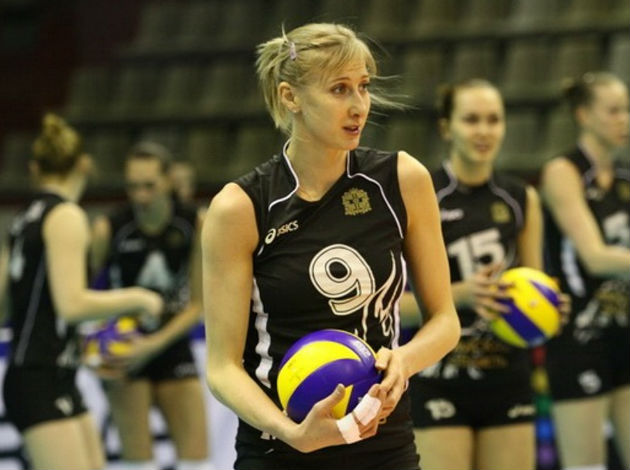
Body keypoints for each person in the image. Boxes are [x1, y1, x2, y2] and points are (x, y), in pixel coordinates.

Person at [201, 22, 461, 470]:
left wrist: (404, 360)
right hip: (280, 447)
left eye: (364, 86)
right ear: (290, 97)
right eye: (339, 89)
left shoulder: (402, 180)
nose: (359, 105)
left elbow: (445, 321)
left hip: (383, 443)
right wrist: (292, 434)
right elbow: (222, 368)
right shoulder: (241, 207)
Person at [0, 113, 163, 470]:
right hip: (40, 376)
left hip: (51, 373)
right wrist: (139, 298)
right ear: (85, 164)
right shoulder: (66, 215)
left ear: (34, 169)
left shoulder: (22, 218)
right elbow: (72, 305)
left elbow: (4, 306)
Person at [403, 79, 545, 470]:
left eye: (493, 120)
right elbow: (392, 308)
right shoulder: (422, 195)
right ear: (446, 127)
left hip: (507, 373)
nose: (484, 130)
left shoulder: (520, 198)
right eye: (471, 120)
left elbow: (534, 286)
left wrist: (548, 309)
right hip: (439, 375)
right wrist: (461, 294)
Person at [90, 141, 210, 470]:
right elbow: (82, 296)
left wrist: (153, 345)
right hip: (124, 348)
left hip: (170, 342)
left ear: (169, 180)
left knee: (198, 462)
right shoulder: (109, 228)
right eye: (133, 187)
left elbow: (197, 305)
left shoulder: (193, 223)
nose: (140, 196)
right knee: (138, 464)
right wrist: (93, 343)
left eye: (149, 186)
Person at [540, 71, 630, 470]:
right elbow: (594, 256)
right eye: (613, 111)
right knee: (586, 465)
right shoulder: (563, 172)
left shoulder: (625, 179)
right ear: (584, 115)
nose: (624, 119)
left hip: (623, 329)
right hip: (579, 334)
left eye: (626, 109)